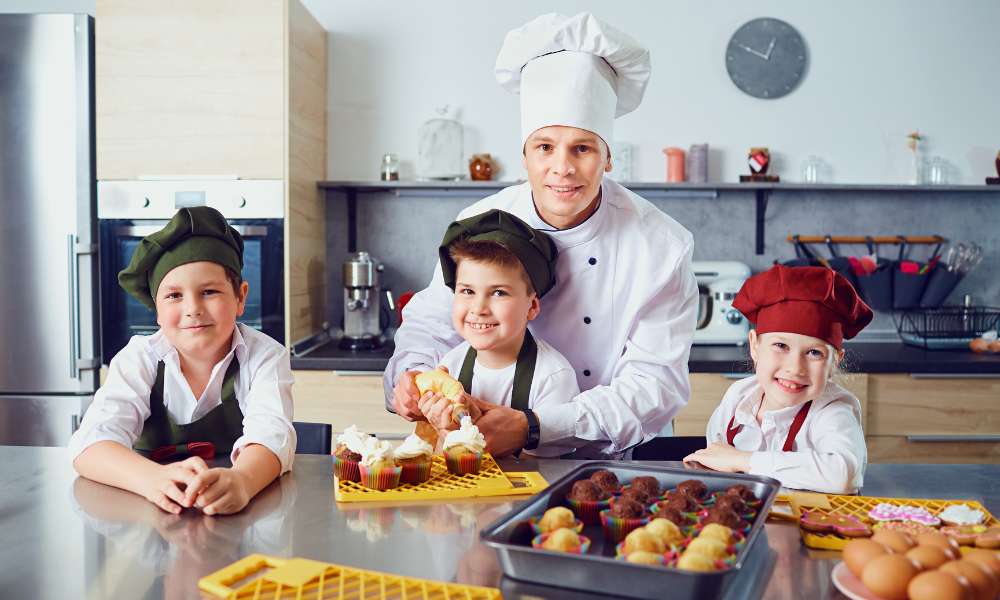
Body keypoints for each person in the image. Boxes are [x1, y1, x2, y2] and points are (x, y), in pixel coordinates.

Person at [385, 12, 698, 458]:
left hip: (610, 459)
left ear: (608, 158)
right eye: (545, 146)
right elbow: (431, 323)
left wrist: (535, 427)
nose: (563, 168)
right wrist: (412, 378)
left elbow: (654, 384)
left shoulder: (660, 246)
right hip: (472, 454)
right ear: (524, 156)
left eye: (583, 148)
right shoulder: (480, 221)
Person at [69, 206, 296, 515]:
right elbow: (90, 446)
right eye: (174, 296)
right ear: (156, 310)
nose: (193, 308)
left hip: (233, 514)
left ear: (240, 297)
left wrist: (242, 481)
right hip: (147, 514)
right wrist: (152, 479)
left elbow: (273, 434)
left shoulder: (265, 356)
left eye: (209, 291)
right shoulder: (139, 358)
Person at [684, 265, 874, 494]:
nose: (795, 368)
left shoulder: (833, 411)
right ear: (755, 346)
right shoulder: (738, 397)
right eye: (781, 346)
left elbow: (844, 475)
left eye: (814, 353)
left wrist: (744, 460)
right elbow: (716, 458)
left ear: (834, 362)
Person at [415, 209, 579, 457]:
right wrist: (441, 430)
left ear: (532, 306)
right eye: (467, 291)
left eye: (499, 292)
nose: (479, 309)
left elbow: (543, 474)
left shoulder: (553, 377)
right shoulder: (452, 364)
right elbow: (434, 461)